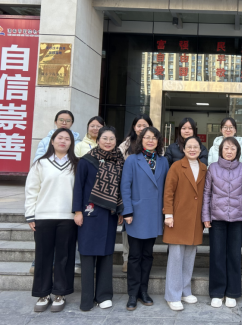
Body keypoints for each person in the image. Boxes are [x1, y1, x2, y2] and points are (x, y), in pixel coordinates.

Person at [25, 128, 79, 313]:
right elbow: (31, 190)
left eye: (67, 139)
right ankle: (43, 294)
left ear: (71, 143)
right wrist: (30, 215)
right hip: (43, 216)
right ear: (52, 141)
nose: (63, 141)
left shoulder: (76, 164)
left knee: (65, 257)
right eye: (60, 138)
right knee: (43, 257)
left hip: (68, 218)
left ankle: (60, 293)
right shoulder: (41, 164)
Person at [72, 126, 124, 312]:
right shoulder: (87, 160)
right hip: (89, 213)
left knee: (106, 254)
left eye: (112, 139)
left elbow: (120, 188)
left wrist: (120, 210)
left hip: (109, 214)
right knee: (87, 255)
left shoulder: (119, 160)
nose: (108, 142)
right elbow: (78, 186)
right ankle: (87, 298)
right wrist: (77, 211)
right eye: (105, 138)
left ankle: (104, 295)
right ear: (98, 140)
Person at [202, 137, 242, 309]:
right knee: (217, 255)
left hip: (237, 219)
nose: (229, 151)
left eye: (233, 148)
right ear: (221, 150)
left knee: (234, 255)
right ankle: (217, 292)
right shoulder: (212, 168)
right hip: (217, 218)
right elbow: (207, 194)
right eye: (226, 148)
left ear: (238, 151)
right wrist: (205, 216)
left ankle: (232, 292)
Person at [121, 126, 170, 311]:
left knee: (148, 255)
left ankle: (144, 291)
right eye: (147, 137)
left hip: (154, 214)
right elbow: (125, 186)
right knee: (134, 256)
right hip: (136, 214)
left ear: (158, 141)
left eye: (154, 138)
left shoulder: (163, 161)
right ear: (141, 140)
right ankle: (132, 294)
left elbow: (167, 188)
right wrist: (127, 211)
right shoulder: (132, 160)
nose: (150, 140)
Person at [162, 136, 208, 311]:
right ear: (183, 149)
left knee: (189, 257)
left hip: (195, 219)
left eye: (196, 147)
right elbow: (168, 192)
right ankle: (172, 295)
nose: (192, 149)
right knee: (175, 258)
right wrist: (168, 214)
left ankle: (184, 291)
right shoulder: (176, 166)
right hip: (177, 217)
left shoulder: (204, 168)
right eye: (189, 146)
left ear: (200, 150)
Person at [118, 114, 153, 274]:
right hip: (128, 192)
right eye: (139, 125)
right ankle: (127, 258)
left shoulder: (154, 146)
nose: (141, 128)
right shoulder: (125, 145)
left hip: (146, 195)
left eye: (145, 125)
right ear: (134, 127)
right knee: (128, 227)